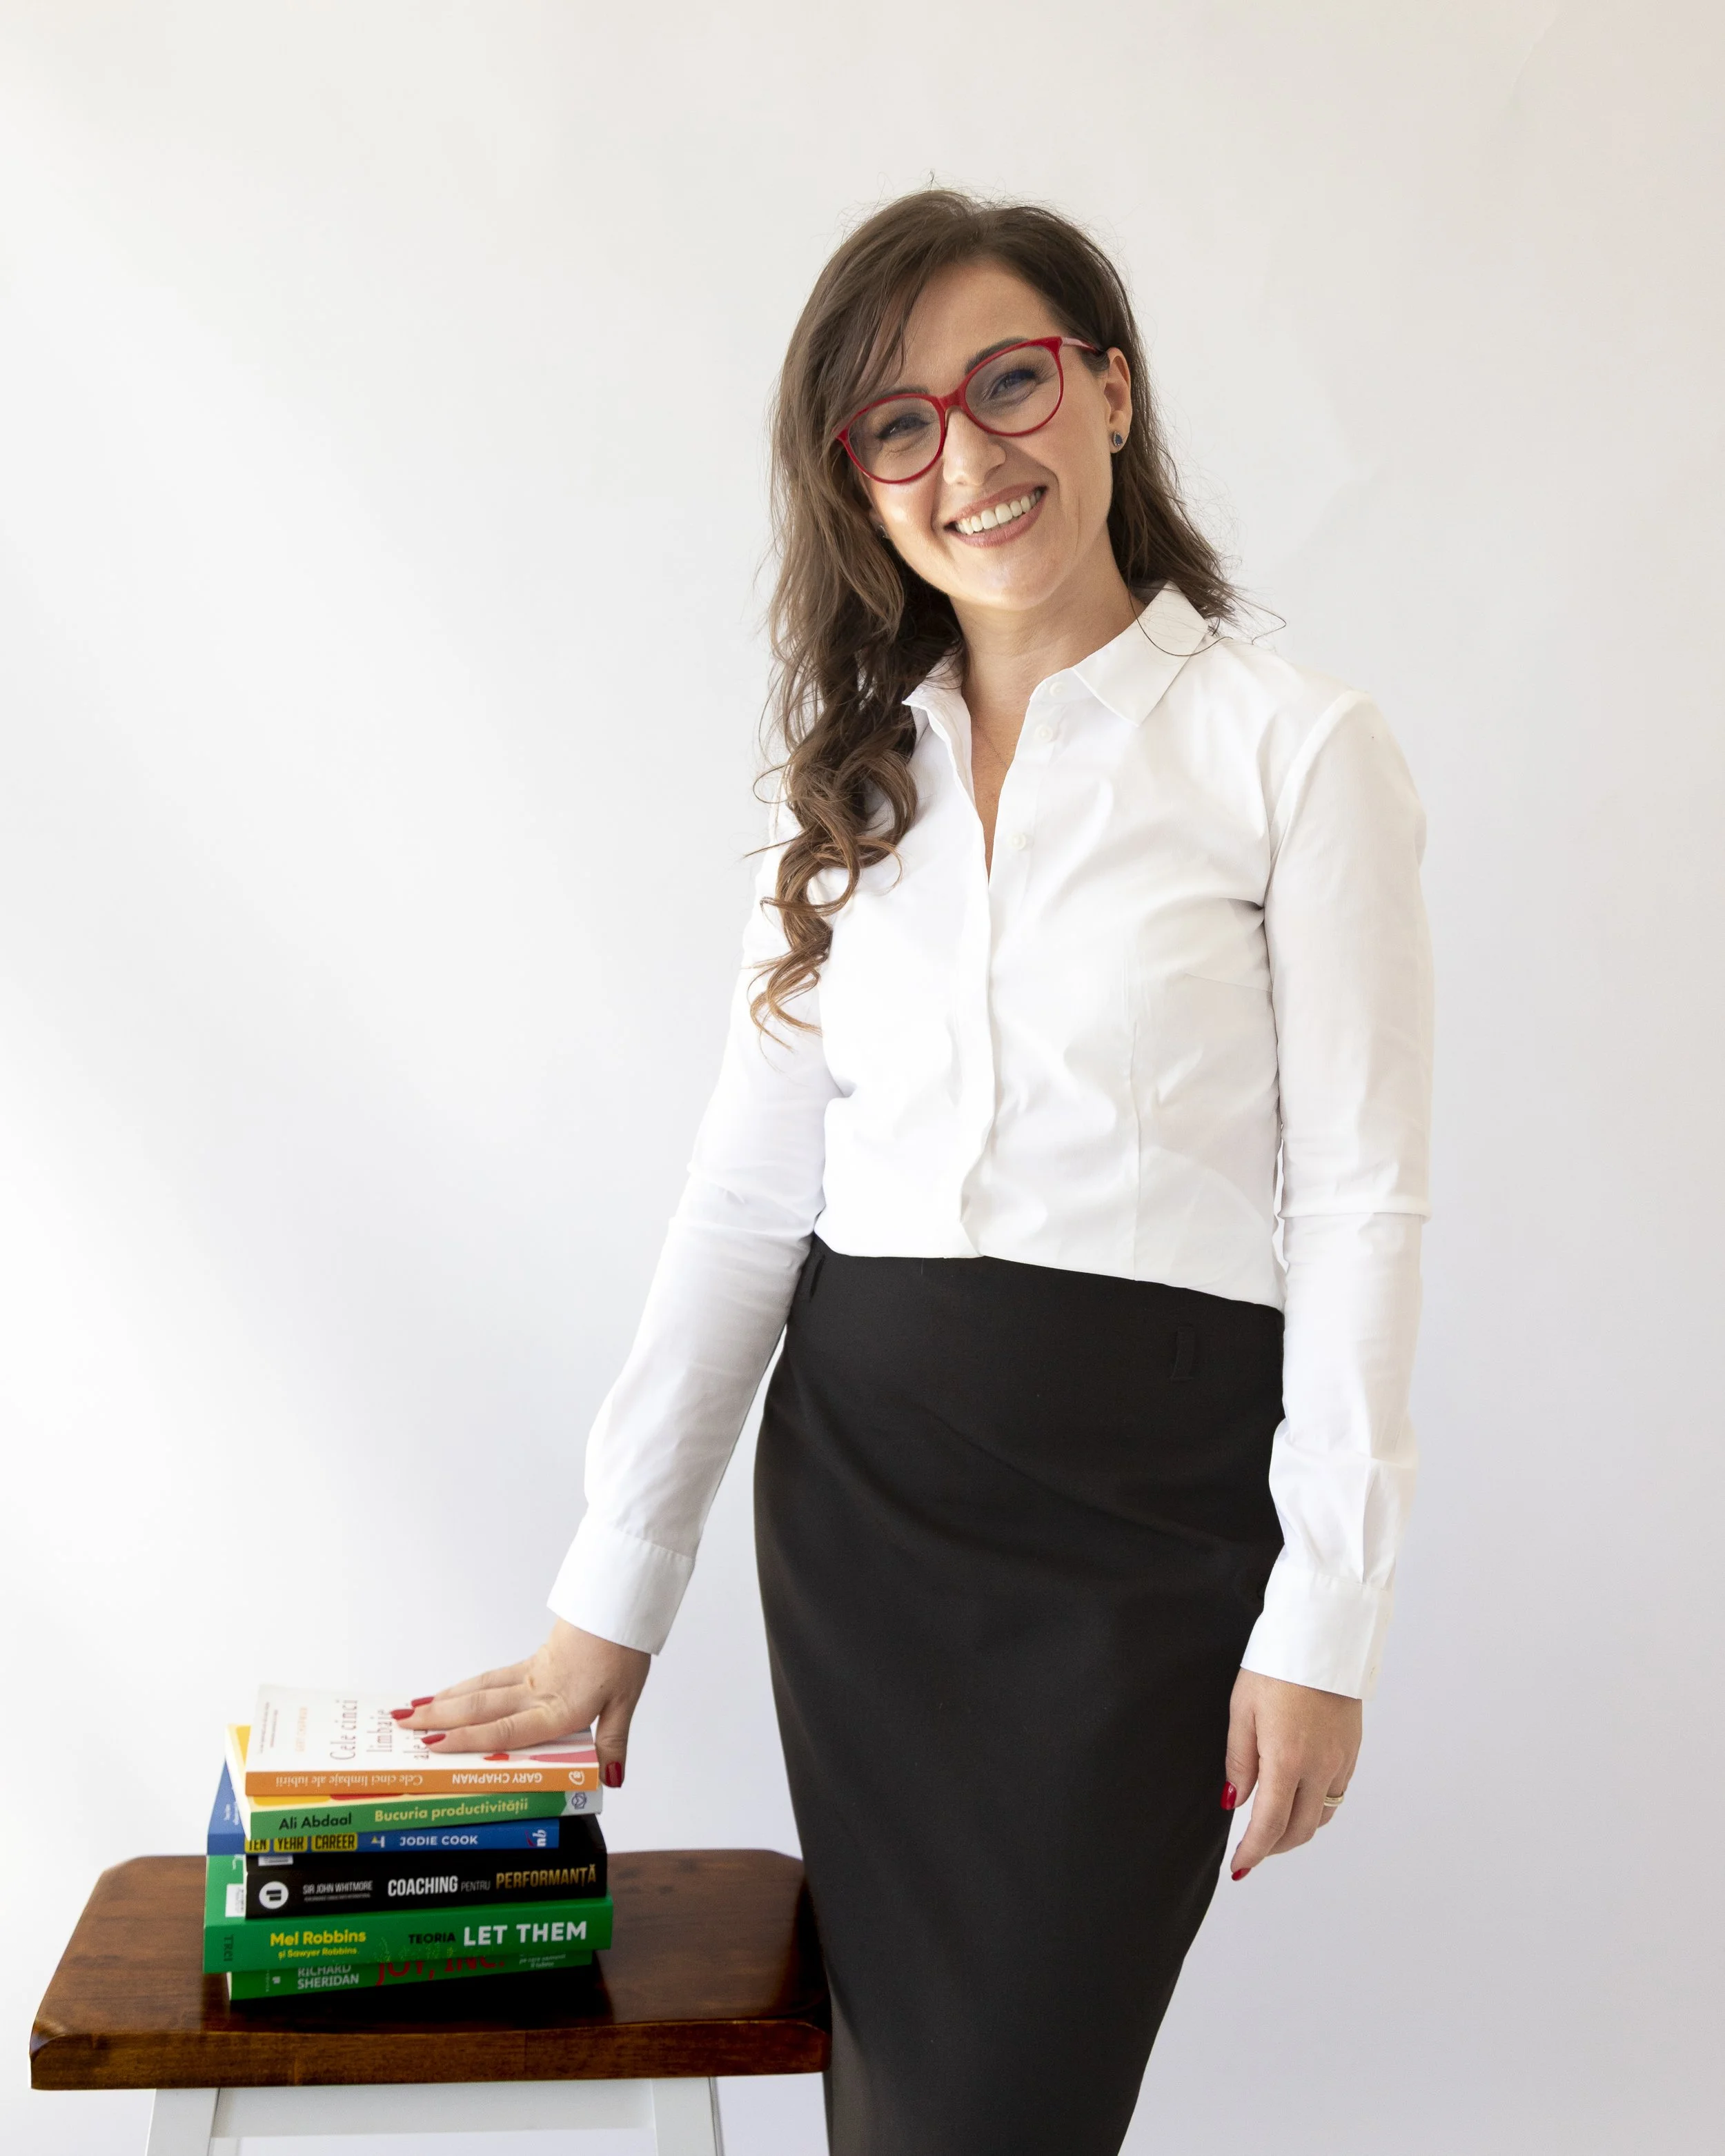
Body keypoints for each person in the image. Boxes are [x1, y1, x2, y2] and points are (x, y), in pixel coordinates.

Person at [401, 189, 1432, 2156]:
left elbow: (1364, 1201)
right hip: (865, 1508)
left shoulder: (1293, 750)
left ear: (1108, 392)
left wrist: (1328, 1617)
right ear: (857, 483)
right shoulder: (849, 795)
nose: (966, 456)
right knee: (909, 2112)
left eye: (1010, 382)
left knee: (988, 2114)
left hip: (1148, 1528)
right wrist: (605, 1604)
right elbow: (739, 1207)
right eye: (896, 423)